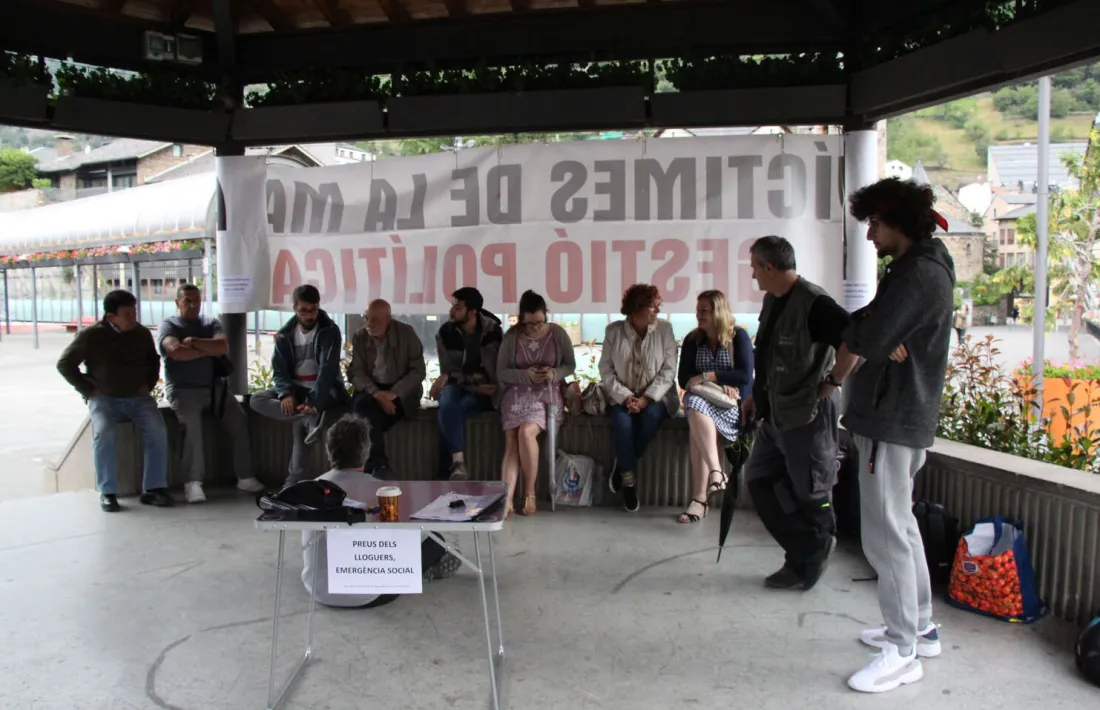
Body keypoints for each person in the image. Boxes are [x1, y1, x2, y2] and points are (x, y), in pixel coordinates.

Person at [842, 178, 956, 693]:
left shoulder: (916, 276)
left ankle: (903, 648)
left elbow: (867, 335)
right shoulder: (922, 268)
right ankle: (920, 626)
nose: (870, 236)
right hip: (900, 416)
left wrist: (871, 332)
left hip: (891, 418)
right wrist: (876, 330)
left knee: (885, 535)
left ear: (899, 223)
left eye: (875, 224)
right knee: (901, 526)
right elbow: (876, 329)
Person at [741, 236, 858, 591]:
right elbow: (769, 354)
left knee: (810, 491)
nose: (752, 275)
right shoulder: (773, 300)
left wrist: (833, 381)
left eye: (754, 267)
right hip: (774, 413)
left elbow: (854, 341)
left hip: (806, 414)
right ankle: (807, 550)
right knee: (759, 480)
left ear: (769, 267)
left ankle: (807, 557)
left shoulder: (815, 303)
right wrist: (756, 394)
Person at [301, 414, 460, 608]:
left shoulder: (312, 487)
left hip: (318, 590)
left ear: (328, 449)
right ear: (367, 450)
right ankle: (425, 572)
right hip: (370, 595)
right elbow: (412, 536)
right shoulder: (382, 492)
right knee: (435, 541)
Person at [56, 290, 173, 512]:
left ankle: (154, 489)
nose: (133, 318)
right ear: (111, 317)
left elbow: (153, 360)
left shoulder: (141, 334)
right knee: (104, 432)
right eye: (127, 314)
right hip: (104, 399)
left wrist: (148, 384)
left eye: (134, 312)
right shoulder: (91, 335)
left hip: (138, 398)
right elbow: (65, 364)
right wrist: (88, 389)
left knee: (157, 429)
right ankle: (108, 492)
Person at [158, 284, 263, 503]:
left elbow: (222, 347)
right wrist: (207, 350)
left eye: (196, 300)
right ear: (177, 303)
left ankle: (245, 476)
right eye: (187, 301)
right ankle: (193, 482)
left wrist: (194, 343)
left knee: (239, 420)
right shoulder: (169, 325)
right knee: (192, 429)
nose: (193, 305)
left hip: (215, 388)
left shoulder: (210, 323)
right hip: (183, 390)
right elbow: (176, 352)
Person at [250, 284, 350, 486]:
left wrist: (313, 402)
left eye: (313, 310)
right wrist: (286, 394)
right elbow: (279, 371)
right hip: (296, 390)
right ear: (295, 308)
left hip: (324, 391)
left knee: (300, 432)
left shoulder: (329, 331)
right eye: (304, 310)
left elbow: (327, 371)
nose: (309, 315)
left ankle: (292, 483)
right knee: (256, 400)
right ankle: (307, 417)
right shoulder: (285, 334)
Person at [598, 284, 680, 513]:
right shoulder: (613, 332)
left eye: (658, 306)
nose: (657, 311)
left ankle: (623, 465)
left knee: (651, 418)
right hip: (621, 396)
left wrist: (646, 399)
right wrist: (625, 397)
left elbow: (668, 371)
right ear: (636, 311)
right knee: (622, 424)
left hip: (656, 398)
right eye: (652, 306)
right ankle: (629, 482)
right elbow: (606, 370)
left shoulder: (665, 330)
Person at [496, 290, 576, 517]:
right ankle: (507, 498)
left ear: (545, 315)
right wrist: (526, 376)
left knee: (526, 432)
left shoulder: (557, 334)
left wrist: (554, 373)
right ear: (522, 318)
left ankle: (529, 492)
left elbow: (570, 365)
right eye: (530, 323)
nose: (535, 327)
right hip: (517, 392)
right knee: (511, 439)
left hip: (547, 393)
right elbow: (501, 372)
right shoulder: (512, 337)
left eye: (540, 322)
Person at [676, 290, 754, 524]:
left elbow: (744, 375)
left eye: (704, 311)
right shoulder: (692, 340)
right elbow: (684, 379)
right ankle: (716, 473)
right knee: (694, 403)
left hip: (731, 405)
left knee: (695, 420)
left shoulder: (738, 336)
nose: (699, 315)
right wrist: (717, 383)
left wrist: (709, 377)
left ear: (718, 312)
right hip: (703, 401)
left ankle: (700, 499)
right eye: (698, 310)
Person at [347, 299, 427, 478]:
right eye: (366, 318)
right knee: (363, 407)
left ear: (388, 319)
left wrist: (394, 393)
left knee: (366, 418)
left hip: (401, 390)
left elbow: (418, 371)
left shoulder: (406, 334)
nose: (369, 324)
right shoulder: (360, 336)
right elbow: (355, 372)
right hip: (371, 389)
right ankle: (378, 466)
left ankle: (373, 467)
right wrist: (376, 393)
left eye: (375, 319)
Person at [429, 287, 503, 481]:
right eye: (452, 306)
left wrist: (466, 380)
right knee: (448, 398)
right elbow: (449, 372)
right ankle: (458, 462)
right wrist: (472, 383)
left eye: (457, 308)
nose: (451, 311)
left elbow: (495, 372)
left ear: (472, 312)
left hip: (487, 393)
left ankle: (445, 473)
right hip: (463, 389)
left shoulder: (493, 332)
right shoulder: (446, 333)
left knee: (449, 411)